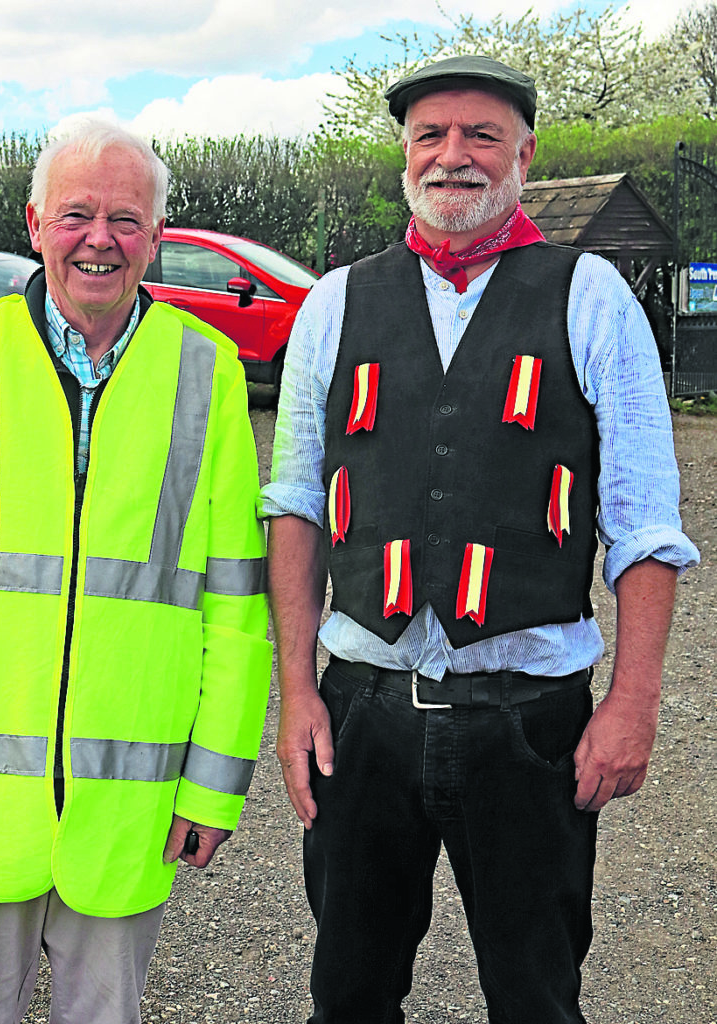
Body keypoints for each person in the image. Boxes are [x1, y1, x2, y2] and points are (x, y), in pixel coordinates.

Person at [261, 56, 699, 1024]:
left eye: (478, 135)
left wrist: (630, 705)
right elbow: (292, 502)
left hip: (526, 715)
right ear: (403, 155)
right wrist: (295, 695)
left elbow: (642, 519)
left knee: (536, 993)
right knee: (347, 991)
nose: (451, 156)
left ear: (522, 155)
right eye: (429, 135)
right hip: (361, 708)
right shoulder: (334, 300)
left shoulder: (587, 295)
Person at [0, 119, 272, 1024]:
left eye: (126, 217)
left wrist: (212, 788)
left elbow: (235, 604)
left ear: (157, 236)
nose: (100, 238)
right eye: (76, 213)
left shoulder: (209, 372)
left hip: (128, 814)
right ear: (34, 221)